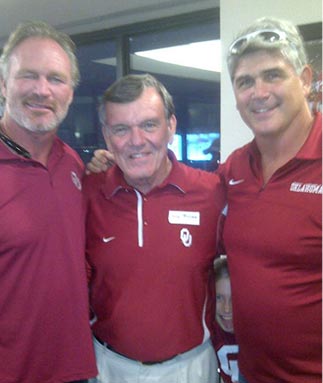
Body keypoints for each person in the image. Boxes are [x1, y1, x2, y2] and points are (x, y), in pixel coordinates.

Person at [84, 73, 226, 383]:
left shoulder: (212, 193)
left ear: (171, 126)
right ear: (107, 137)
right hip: (108, 367)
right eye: (121, 129)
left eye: (149, 124)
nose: (137, 141)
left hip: (190, 368)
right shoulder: (88, 194)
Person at [217, 17, 322, 383]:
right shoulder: (234, 168)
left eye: (273, 75)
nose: (258, 92)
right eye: (245, 81)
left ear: (306, 79)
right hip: (251, 373)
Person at [0, 21, 97, 382]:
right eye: (28, 76)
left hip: (75, 370)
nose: (42, 90)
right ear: (3, 84)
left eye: (56, 79)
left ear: (70, 92)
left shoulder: (71, 162)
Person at [213, 256, 239, 383]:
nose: (227, 308)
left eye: (233, 298)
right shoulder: (209, 332)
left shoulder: (258, 333)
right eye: (219, 298)